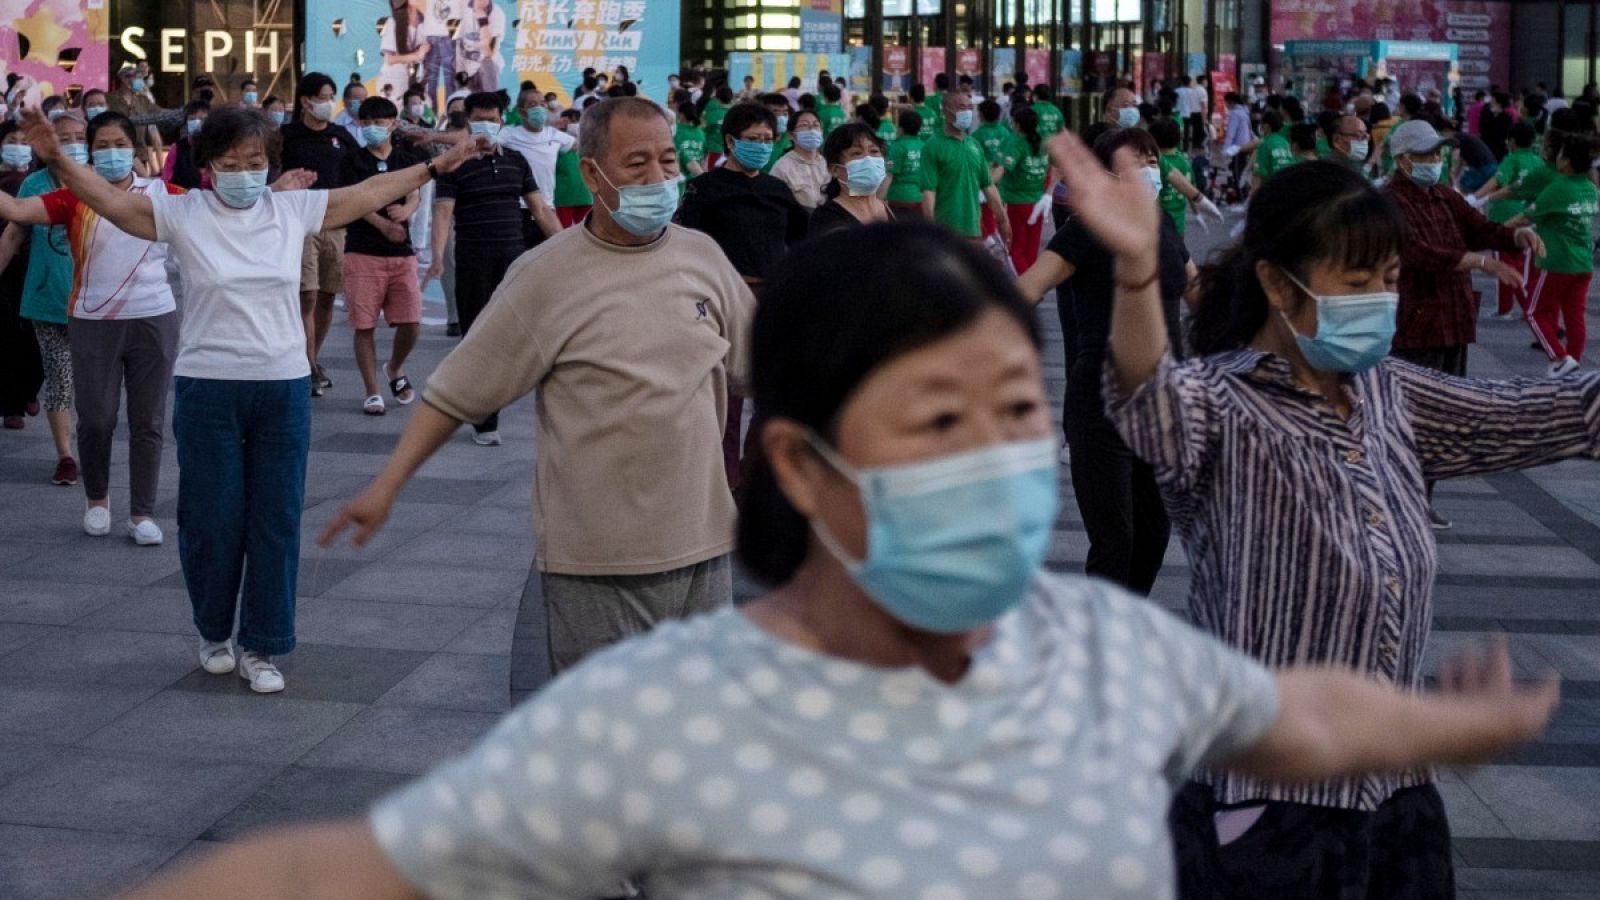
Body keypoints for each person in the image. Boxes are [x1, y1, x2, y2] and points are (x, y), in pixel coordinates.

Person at [131, 219, 1561, 900]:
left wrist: (1457, 720)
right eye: (939, 421)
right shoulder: (670, 714)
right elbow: (358, 866)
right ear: (807, 467)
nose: (1002, 460)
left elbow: (1298, 714)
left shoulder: (1094, 648)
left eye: (1015, 415)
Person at [1049, 126, 1595, 898]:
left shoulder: (1389, 396)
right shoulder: (1223, 406)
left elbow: (1539, 410)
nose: (1380, 298)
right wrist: (1140, 275)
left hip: (1397, 797)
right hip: (1267, 811)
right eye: (1356, 280)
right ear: (1278, 284)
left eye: (1390, 277)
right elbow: (1149, 398)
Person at [21, 104, 483, 692]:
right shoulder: (181, 210)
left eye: (256, 162)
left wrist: (436, 165)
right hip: (208, 387)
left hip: (283, 388)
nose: (245, 173)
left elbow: (368, 190)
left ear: (271, 163)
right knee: (212, 521)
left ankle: (262, 646)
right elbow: (110, 203)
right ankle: (214, 631)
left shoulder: (293, 209)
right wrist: (59, 157)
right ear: (209, 165)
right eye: (232, 162)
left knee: (276, 521)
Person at [326, 95, 754, 674]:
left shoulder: (702, 257)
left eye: (668, 162)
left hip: (704, 546)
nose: (658, 177)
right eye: (637, 164)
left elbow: (768, 368)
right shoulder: (546, 275)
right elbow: (457, 392)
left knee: (694, 736)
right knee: (604, 743)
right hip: (598, 562)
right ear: (591, 172)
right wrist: (386, 486)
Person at [1018, 127, 1192, 594]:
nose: (1147, 171)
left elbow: (1199, 289)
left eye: (1151, 160)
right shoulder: (1085, 231)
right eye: (1133, 162)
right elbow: (1028, 288)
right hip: (1100, 403)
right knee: (1116, 539)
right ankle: (1105, 645)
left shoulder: (1164, 227)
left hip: (1163, 406)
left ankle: (1126, 630)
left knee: (1154, 536)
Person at [0, 111, 181, 541]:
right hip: (92, 320)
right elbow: (16, 209)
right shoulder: (74, 198)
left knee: (148, 420)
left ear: (134, 151)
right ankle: (97, 499)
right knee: (97, 419)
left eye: (120, 145)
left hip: (153, 316)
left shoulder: (162, 194)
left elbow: (213, 210)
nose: (111, 153)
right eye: (102, 146)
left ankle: (142, 513)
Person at [1384, 118, 1546, 527]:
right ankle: (1398, 501)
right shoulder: (1389, 202)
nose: (1436, 161)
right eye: (1426, 154)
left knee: (1442, 420)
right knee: (1413, 418)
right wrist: (1478, 262)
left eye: (1438, 153)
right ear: (1402, 160)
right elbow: (1417, 253)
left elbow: (1479, 229)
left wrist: (1515, 236)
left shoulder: (1443, 196)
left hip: (1452, 319)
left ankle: (1421, 501)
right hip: (1415, 323)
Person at [677, 100, 808, 490]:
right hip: (722, 300)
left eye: (768, 139)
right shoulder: (705, 188)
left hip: (771, 298)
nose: (762, 146)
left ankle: (753, 478)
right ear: (731, 141)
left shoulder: (777, 189)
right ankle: (722, 480)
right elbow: (687, 244)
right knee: (727, 399)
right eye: (753, 139)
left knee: (770, 394)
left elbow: (803, 237)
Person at [425, 91, 559, 445]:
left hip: (514, 259)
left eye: (493, 118)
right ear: (468, 121)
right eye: (479, 119)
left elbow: (540, 210)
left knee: (515, 338)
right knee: (477, 339)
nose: (487, 125)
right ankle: (483, 417)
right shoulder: (453, 164)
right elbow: (442, 212)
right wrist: (437, 257)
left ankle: (490, 404)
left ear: (503, 120)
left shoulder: (516, 160)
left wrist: (568, 246)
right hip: (473, 260)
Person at [0, 111, 83, 485]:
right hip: (47, 298)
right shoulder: (34, 184)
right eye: (63, 138)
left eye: (79, 137)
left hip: (100, 304)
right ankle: (66, 454)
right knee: (60, 378)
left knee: (96, 390)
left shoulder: (100, 184)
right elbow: (13, 236)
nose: (72, 145)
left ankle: (91, 440)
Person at [338, 97, 425, 417]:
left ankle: (395, 367)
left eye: (380, 122)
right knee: (364, 325)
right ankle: (372, 391)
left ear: (393, 123)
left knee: (412, 322)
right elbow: (355, 198)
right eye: (367, 122)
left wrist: (407, 209)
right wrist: (383, 224)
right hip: (363, 251)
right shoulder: (351, 161)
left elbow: (415, 189)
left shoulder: (407, 157)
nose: (373, 128)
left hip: (401, 252)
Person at [281, 72, 359, 397]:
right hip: (301, 223)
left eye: (331, 97)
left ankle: (313, 356)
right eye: (323, 97)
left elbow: (359, 171)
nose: (328, 103)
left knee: (327, 295)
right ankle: (308, 364)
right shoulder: (286, 135)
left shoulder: (340, 135)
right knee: (307, 294)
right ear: (305, 101)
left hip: (336, 223)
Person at [1512, 133, 1599, 376]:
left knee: (1533, 313)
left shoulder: (1558, 188)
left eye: (1560, 154)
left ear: (1567, 161)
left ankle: (1560, 358)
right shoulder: (1591, 188)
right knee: (1575, 316)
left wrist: (1491, 232)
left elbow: (1522, 218)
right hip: (1583, 263)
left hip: (1557, 262)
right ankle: (1574, 365)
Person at [1472, 122, 1552, 319]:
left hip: (1504, 217)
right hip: (1527, 218)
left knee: (1504, 265)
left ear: (1512, 142)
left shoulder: (1511, 158)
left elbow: (1498, 181)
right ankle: (1524, 307)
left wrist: (1475, 198)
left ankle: (1508, 309)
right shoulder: (1538, 161)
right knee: (1523, 265)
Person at [919, 90, 1010, 245]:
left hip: (973, 230)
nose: (967, 112)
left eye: (969, 108)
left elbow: (989, 187)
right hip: (945, 232)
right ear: (945, 111)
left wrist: (1003, 220)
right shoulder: (932, 146)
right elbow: (928, 192)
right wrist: (931, 231)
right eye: (961, 107)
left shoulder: (974, 144)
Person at [0, 122, 42, 431]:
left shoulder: (40, 181)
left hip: (36, 266)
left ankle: (29, 387)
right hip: (4, 266)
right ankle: (10, 404)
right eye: (11, 140)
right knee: (6, 333)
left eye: (23, 141)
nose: (18, 145)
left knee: (34, 334)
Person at [807, 121, 892, 237]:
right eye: (857, 153)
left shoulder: (888, 208)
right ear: (834, 170)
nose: (868, 159)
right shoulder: (826, 218)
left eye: (874, 151)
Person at [497, 85, 577, 203]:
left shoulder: (554, 134)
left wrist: (574, 127)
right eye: (533, 105)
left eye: (542, 104)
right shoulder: (508, 134)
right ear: (521, 111)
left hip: (547, 205)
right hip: (519, 205)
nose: (539, 108)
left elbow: (581, 145)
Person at [996, 106, 1051, 272]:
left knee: (1015, 249)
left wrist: (985, 183)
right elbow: (1052, 167)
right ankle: (1032, 289)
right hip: (1038, 202)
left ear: (1017, 124)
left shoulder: (1015, 142)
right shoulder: (1044, 141)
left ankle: (1028, 287)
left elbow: (1002, 168)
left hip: (1017, 202)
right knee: (1031, 249)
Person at [769, 108, 829, 210]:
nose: (812, 130)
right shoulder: (782, 167)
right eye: (804, 125)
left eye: (816, 125)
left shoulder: (828, 165)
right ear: (791, 135)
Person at [551, 108, 592, 226]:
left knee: (587, 233)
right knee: (564, 235)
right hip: (562, 197)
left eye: (577, 121)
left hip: (585, 195)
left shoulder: (587, 142)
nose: (575, 125)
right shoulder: (554, 142)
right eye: (570, 121)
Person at [884, 108, 925, 218]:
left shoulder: (896, 147)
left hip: (898, 199)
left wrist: (878, 199)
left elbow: (889, 174)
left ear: (900, 128)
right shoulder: (924, 146)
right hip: (920, 198)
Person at [161, 99, 211, 190]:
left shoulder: (215, 148)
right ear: (186, 122)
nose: (197, 122)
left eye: (202, 119)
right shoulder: (177, 148)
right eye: (192, 119)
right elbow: (165, 180)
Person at [1251, 109, 1294, 191]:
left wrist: (1252, 196)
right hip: (1287, 186)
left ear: (1266, 126)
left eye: (1262, 124)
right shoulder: (1285, 142)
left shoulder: (1265, 144)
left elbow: (1259, 174)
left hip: (1273, 188)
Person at [671, 100, 707, 187]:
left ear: (682, 115)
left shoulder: (675, 130)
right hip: (696, 178)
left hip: (679, 178)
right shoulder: (701, 132)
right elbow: (703, 158)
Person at [1325, 113, 1371, 178]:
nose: (1365, 141)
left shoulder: (1358, 167)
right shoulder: (1325, 174)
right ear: (1337, 140)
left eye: (1366, 135)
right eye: (1358, 135)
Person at [334, 81, 369, 148]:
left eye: (365, 98)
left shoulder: (373, 122)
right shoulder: (337, 124)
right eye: (358, 98)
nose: (362, 101)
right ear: (345, 101)